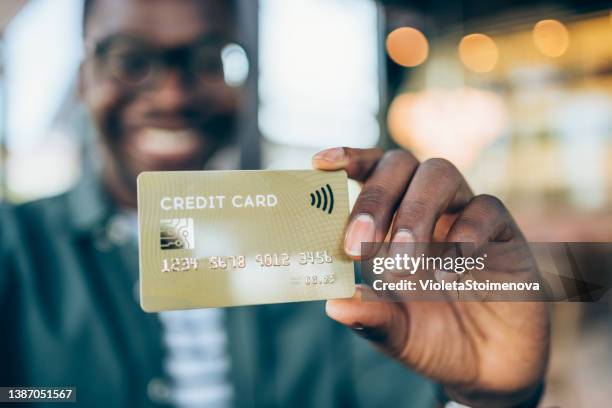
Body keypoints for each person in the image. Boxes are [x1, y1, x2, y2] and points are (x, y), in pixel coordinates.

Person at [0, 0, 549, 407]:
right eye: (128, 58)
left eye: (209, 57)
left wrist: (486, 398)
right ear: (82, 77)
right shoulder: (13, 253)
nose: (171, 93)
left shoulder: (332, 249)